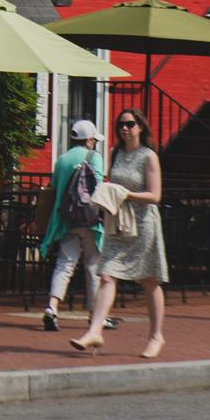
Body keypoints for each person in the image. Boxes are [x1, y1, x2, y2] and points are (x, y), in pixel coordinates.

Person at [72, 106, 168, 359]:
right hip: (119, 222)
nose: (125, 129)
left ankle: (156, 336)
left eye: (130, 124)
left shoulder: (149, 156)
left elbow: (155, 195)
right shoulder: (116, 153)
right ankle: (95, 330)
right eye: (121, 125)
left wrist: (126, 194)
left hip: (144, 223)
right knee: (106, 275)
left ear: (141, 127)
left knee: (149, 280)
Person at [37, 118, 105, 333]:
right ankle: (95, 315)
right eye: (94, 139)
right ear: (88, 140)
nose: (94, 143)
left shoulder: (62, 160)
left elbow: (54, 187)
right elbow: (99, 188)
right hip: (90, 219)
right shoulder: (94, 157)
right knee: (93, 265)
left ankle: (52, 307)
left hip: (66, 219)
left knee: (64, 264)